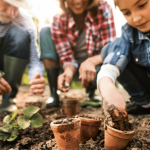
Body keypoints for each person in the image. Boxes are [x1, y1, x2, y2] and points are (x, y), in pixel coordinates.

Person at [40, 0, 116, 108]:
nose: (78, 1)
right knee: (45, 31)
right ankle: (54, 92)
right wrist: (68, 71)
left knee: (109, 65)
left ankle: (91, 92)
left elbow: (109, 49)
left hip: (95, 67)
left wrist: (91, 62)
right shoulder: (58, 19)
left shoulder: (103, 8)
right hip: (71, 67)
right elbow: (66, 56)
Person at [97, 0, 150, 117]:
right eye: (126, 13)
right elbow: (114, 58)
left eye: (142, 5)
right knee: (108, 50)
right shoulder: (129, 32)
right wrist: (107, 85)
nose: (136, 18)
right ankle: (144, 103)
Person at [0, 0, 45, 113]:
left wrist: (36, 76)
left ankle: (8, 99)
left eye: (17, 7)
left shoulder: (24, 21)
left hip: (8, 59)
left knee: (19, 34)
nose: (11, 12)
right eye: (7, 4)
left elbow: (34, 60)